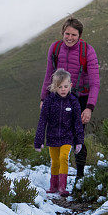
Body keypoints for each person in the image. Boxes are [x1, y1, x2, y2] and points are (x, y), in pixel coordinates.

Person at [40, 16, 100, 187]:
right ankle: (60, 177)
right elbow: (49, 75)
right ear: (62, 33)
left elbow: (95, 83)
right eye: (67, 34)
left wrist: (89, 108)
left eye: (74, 35)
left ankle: (80, 176)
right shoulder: (55, 48)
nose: (70, 38)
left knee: (76, 136)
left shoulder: (88, 51)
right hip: (58, 98)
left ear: (80, 35)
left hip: (80, 99)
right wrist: (44, 99)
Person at [34, 69, 84, 197]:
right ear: (54, 87)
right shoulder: (49, 101)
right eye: (59, 87)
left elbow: (77, 122)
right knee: (55, 161)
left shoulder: (73, 101)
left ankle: (62, 187)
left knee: (63, 158)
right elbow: (42, 121)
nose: (63, 89)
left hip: (67, 137)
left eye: (66, 86)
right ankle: (53, 186)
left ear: (71, 86)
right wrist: (38, 141)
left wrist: (79, 141)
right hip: (52, 137)